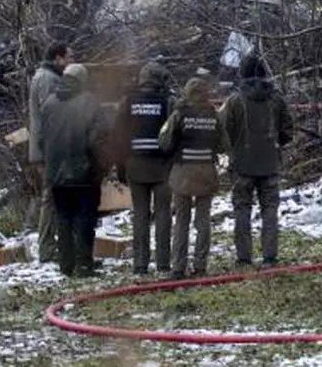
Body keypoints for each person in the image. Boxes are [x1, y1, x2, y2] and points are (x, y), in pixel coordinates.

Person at [221, 53, 293, 267]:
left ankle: (244, 258)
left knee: (242, 210)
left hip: (242, 165)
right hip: (270, 164)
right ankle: (270, 256)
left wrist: (233, 150)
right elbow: (288, 131)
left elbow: (225, 132)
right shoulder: (276, 99)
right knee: (270, 210)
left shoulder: (234, 101)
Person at [38, 64, 109, 277]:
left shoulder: (49, 103)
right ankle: (84, 264)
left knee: (63, 219)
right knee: (85, 220)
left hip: (56, 174)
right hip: (85, 173)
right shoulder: (90, 102)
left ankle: (66, 264)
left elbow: (41, 139)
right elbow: (100, 140)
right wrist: (100, 167)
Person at [160, 76, 226, 279]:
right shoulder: (213, 115)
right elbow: (224, 144)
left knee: (181, 221)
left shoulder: (179, 114)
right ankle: (200, 266)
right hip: (206, 173)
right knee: (203, 221)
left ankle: (178, 267)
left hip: (182, 174)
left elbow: (164, 141)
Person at [118, 59, 178, 275]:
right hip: (162, 168)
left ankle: (140, 264)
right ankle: (163, 263)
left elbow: (120, 136)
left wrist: (120, 167)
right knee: (163, 214)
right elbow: (175, 133)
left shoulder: (128, 102)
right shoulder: (168, 101)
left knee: (141, 215)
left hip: (135, 166)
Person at [28, 41, 70, 263]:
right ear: (58, 58)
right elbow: (50, 115)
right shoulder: (47, 78)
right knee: (51, 198)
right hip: (49, 150)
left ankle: (51, 247)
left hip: (47, 148)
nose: (69, 62)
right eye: (67, 58)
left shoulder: (46, 76)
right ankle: (46, 250)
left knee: (53, 197)